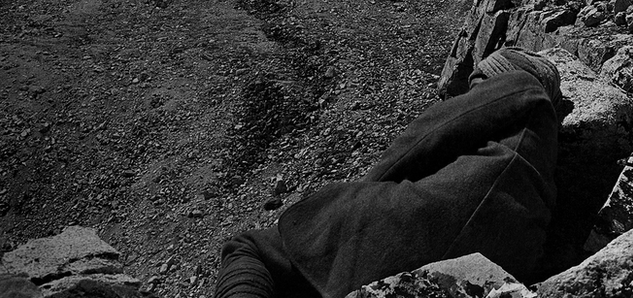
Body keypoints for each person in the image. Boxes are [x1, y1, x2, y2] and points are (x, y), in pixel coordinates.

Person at [215, 47, 563, 298]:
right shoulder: (538, 158)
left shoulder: (518, 85)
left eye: (476, 85)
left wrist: (358, 193)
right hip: (500, 256)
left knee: (252, 247)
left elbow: (421, 140)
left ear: (492, 78)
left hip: (420, 224)